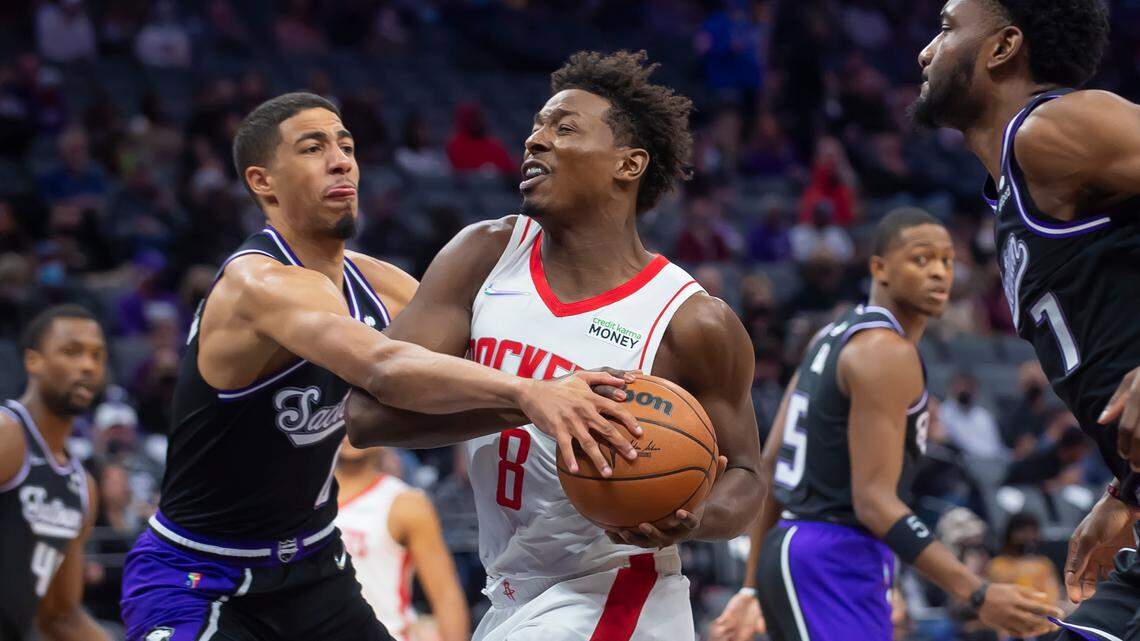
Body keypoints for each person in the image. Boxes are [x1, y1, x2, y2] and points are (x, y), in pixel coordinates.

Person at [119, 92, 641, 641]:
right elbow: (386, 366)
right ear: (262, 182)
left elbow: (485, 361)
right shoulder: (258, 283)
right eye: (313, 147)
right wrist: (532, 392)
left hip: (312, 570)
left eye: (346, 145)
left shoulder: (378, 283)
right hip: (199, 572)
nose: (341, 159)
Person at [345, 50, 764, 641]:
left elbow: (745, 474)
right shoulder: (484, 256)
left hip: (616, 594)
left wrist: (689, 521)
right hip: (512, 592)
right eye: (537, 126)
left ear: (630, 163)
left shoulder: (691, 322)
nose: (535, 141)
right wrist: (531, 399)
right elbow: (366, 417)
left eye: (563, 128)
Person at [712, 211, 1058, 641]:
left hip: (803, 549)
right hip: (831, 554)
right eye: (921, 259)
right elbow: (874, 502)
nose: (939, 271)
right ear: (879, 268)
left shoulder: (833, 335)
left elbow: (770, 461)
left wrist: (750, 587)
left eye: (947, 261)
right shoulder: (887, 352)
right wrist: (977, 592)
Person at [912, 1, 1140, 636]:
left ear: (1003, 47)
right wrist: (1125, 490)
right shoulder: (1016, 192)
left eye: (948, 26)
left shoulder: (1055, 128)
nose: (925, 52)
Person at [0, 304, 111, 641]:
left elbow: (60, 617)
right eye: (71, 352)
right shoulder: (7, 434)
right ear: (34, 361)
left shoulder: (82, 487)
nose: (87, 366)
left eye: (97, 355)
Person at [334, 439, 469, 641]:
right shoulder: (300, 499)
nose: (348, 434)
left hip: (386, 633)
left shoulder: (406, 503)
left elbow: (445, 594)